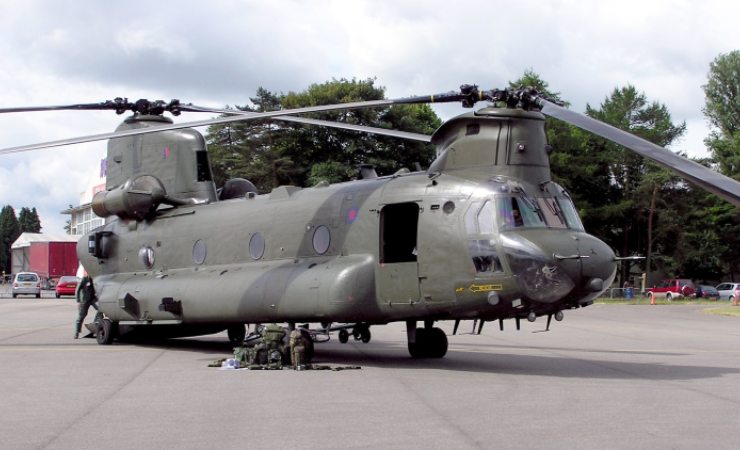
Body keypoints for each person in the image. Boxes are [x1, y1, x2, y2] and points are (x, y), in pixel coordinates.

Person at [74, 275, 98, 339]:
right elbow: (77, 290)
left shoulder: (95, 278)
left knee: (101, 309)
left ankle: (95, 323)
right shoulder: (84, 279)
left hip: (92, 299)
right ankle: (77, 333)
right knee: (81, 316)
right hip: (84, 300)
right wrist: (78, 301)